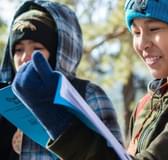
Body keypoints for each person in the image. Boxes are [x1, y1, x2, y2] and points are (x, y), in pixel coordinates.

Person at [11, 0, 168, 160]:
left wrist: (59, 123)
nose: (142, 44)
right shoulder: (147, 104)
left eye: (154, 28)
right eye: (136, 32)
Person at [0, 0, 123, 159]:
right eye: (18, 49)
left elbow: (114, 156)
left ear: (60, 51)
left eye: (37, 49)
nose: (24, 58)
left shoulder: (88, 95)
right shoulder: (6, 103)